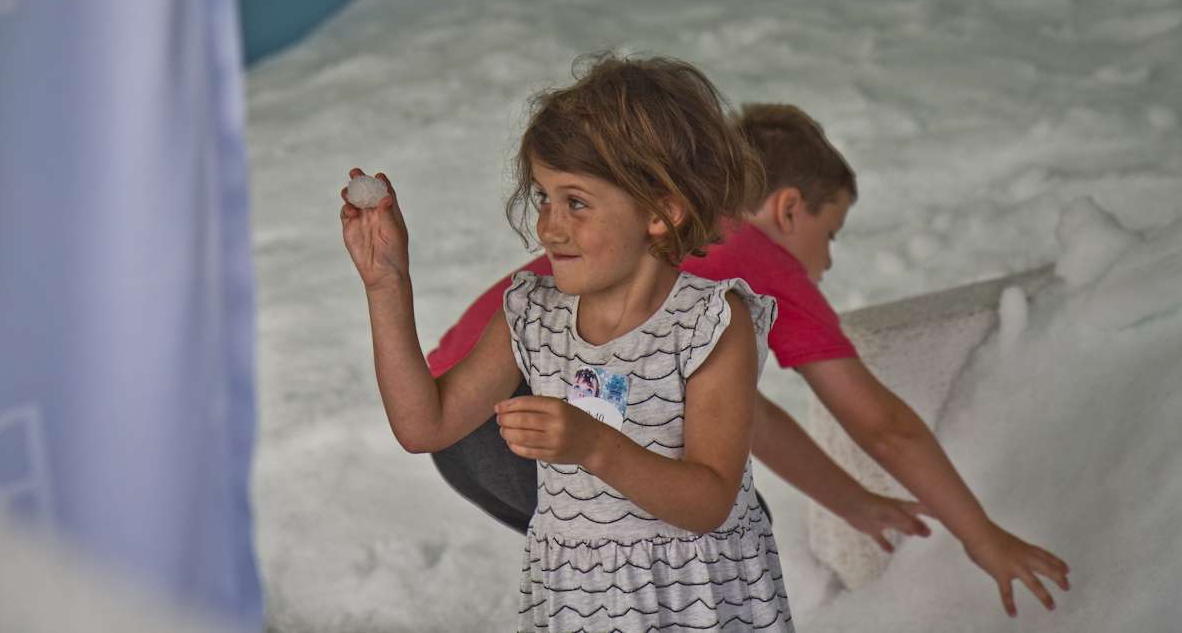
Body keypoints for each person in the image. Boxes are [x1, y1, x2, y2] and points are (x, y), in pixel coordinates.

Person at [418, 102, 1072, 619]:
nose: (828, 260)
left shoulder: (684, 253)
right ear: (788, 208)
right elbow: (882, 424)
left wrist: (851, 501)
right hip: (526, 413)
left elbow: (734, 418)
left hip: (466, 438)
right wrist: (981, 534)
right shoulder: (757, 256)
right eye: (830, 233)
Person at [342, 53, 797, 630]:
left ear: (661, 211)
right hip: (583, 602)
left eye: (576, 202)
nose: (549, 225)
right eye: (544, 198)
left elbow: (709, 502)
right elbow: (423, 426)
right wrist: (387, 284)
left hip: (698, 605)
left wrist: (594, 446)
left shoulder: (708, 325)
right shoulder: (531, 316)